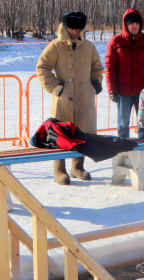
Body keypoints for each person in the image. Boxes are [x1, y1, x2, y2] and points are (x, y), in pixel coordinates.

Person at [36, 11, 103, 185]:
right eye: (72, 28)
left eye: (78, 29)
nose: (75, 32)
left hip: (84, 99)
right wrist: (56, 88)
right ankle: (59, 170)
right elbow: (42, 67)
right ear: (65, 28)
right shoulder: (56, 46)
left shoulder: (89, 47)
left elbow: (97, 67)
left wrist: (95, 83)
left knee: (83, 134)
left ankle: (77, 167)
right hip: (63, 100)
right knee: (60, 134)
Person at [105, 8, 144, 139]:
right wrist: (112, 90)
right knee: (123, 124)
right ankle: (124, 154)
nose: (134, 26)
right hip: (123, 92)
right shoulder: (116, 41)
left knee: (143, 124)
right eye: (131, 23)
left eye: (137, 23)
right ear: (125, 25)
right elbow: (110, 68)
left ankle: (143, 155)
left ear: (140, 24)